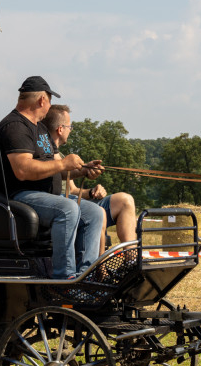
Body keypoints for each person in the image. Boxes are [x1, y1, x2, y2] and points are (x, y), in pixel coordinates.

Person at [0, 76, 105, 279]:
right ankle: (65, 277)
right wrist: (62, 163)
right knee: (67, 208)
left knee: (94, 212)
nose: (49, 105)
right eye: (49, 100)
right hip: (20, 197)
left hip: (45, 198)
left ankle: (87, 275)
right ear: (42, 100)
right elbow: (22, 170)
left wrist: (83, 170)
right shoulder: (14, 126)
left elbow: (58, 166)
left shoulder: (40, 129)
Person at [45, 103, 137, 254]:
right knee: (98, 211)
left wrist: (92, 191)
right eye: (70, 127)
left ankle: (131, 258)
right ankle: (98, 270)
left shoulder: (61, 157)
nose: (71, 130)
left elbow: (72, 190)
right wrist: (83, 171)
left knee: (125, 200)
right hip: (63, 205)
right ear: (60, 129)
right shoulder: (46, 156)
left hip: (73, 201)